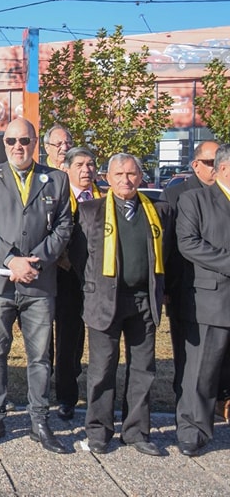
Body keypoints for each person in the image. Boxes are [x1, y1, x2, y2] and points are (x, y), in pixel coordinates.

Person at [0, 117, 73, 453]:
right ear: (4, 143)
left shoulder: (56, 179)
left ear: (35, 142)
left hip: (39, 283)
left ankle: (39, 420)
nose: (18, 147)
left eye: (25, 141)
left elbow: (63, 227)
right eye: (12, 141)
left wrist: (36, 261)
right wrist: (11, 259)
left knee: (40, 356)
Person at [71, 153, 173, 456]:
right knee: (102, 370)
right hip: (105, 301)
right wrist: (94, 288)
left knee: (143, 369)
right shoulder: (91, 211)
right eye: (119, 175)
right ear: (107, 178)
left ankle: (137, 432)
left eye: (131, 174)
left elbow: (165, 253)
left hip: (144, 300)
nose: (125, 180)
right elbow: (79, 258)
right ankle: (99, 433)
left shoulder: (158, 211)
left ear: (140, 177)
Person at [174, 143, 230, 457]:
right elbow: (188, 244)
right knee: (201, 373)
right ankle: (191, 432)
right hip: (211, 300)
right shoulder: (194, 199)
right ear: (223, 169)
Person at [164, 140, 219, 404]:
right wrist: (166, 288)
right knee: (188, 357)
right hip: (186, 288)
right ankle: (184, 409)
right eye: (211, 162)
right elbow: (169, 247)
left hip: (222, 292)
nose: (217, 167)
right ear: (196, 165)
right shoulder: (177, 195)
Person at [53, 146, 101, 421]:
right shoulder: (58, 197)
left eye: (91, 164)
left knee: (94, 339)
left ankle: (98, 393)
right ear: (67, 168)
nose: (86, 170)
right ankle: (66, 397)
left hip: (97, 279)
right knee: (67, 338)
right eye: (80, 165)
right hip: (65, 277)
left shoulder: (102, 197)